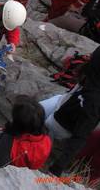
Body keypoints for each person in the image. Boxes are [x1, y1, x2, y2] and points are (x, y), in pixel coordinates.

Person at [39, 46, 100, 176]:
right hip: (63, 104)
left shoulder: (93, 104)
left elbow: (79, 138)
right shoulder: (89, 80)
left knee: (34, 118)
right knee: (32, 111)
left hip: (60, 126)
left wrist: (56, 168)